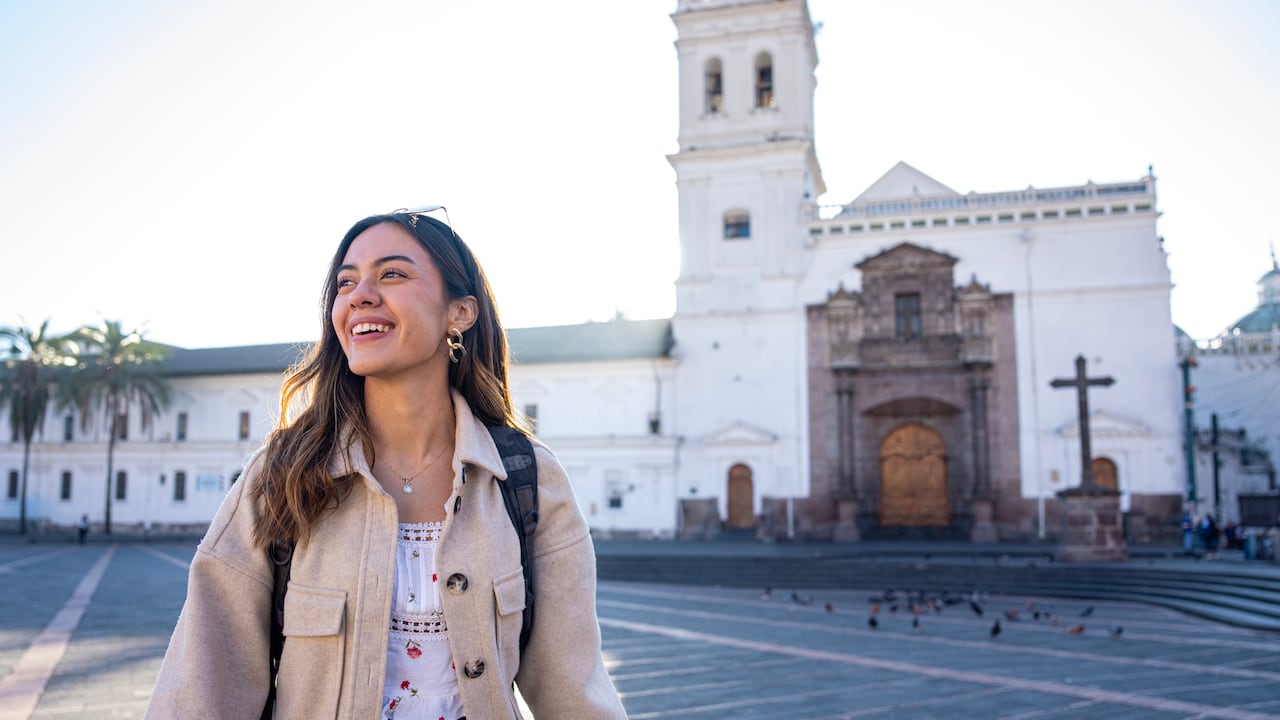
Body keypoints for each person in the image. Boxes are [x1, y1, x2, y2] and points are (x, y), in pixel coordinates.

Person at [146, 209, 626, 719]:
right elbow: (206, 679)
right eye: (346, 282)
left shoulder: (528, 479)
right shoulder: (282, 475)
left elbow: (574, 686)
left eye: (392, 274)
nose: (359, 295)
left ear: (460, 312)